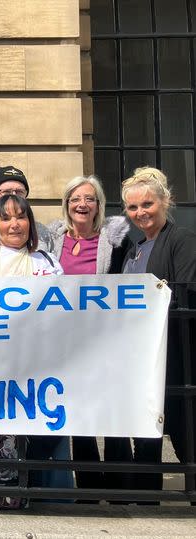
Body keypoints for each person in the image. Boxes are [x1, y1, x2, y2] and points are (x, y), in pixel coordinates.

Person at [0, 195, 63, 501]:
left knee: (33, 429)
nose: (14, 224)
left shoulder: (46, 261)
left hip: (34, 362)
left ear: (30, 223)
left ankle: (26, 486)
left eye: (21, 217)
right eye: (6, 217)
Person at [48, 175, 133, 493]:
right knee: (79, 410)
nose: (82, 205)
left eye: (89, 199)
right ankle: (87, 487)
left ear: (98, 204)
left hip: (105, 338)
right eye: (75, 199)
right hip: (67, 342)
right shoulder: (53, 241)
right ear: (66, 204)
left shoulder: (115, 240)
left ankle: (120, 487)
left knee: (111, 408)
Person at [121, 167, 196, 496]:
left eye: (147, 204)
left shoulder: (182, 240)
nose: (140, 213)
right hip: (140, 358)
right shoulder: (134, 248)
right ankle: (145, 499)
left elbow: (185, 292)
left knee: (183, 430)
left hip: (175, 356)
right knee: (145, 428)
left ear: (166, 201)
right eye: (133, 208)